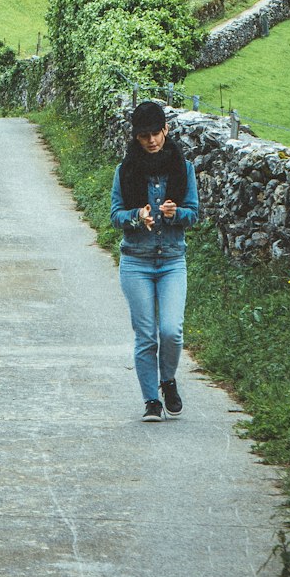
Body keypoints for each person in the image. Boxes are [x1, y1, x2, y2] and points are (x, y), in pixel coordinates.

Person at [110, 100, 199, 421]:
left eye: (156, 133)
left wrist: (177, 215)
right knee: (146, 335)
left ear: (166, 130)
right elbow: (115, 215)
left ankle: (168, 380)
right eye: (144, 135)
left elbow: (194, 213)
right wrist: (137, 216)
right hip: (136, 262)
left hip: (173, 260)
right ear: (136, 137)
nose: (151, 141)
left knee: (171, 331)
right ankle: (151, 401)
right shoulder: (125, 171)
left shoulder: (183, 168)